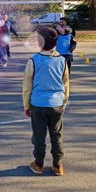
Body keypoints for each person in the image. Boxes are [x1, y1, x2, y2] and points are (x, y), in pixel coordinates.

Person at [22, 27, 69, 176]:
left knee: (39, 135)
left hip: (38, 103)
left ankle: (38, 163)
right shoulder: (62, 60)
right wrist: (64, 103)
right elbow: (65, 84)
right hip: (56, 103)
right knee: (56, 135)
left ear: (39, 42)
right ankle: (57, 164)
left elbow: (27, 85)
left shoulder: (33, 60)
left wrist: (26, 105)